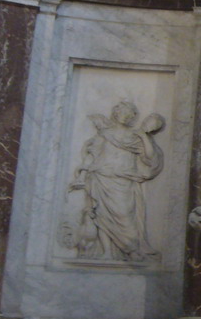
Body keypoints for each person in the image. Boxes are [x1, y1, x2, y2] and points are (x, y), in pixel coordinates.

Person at [69, 101, 165, 260]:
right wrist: (84, 170)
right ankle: (106, 252)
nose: (125, 116)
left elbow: (150, 158)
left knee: (125, 215)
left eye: (129, 114)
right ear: (116, 113)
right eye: (122, 112)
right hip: (102, 177)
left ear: (132, 118)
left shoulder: (135, 136)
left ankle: (132, 249)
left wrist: (144, 136)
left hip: (123, 180)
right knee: (101, 215)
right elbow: (94, 153)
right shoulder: (105, 133)